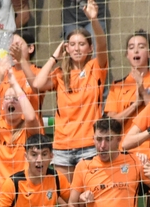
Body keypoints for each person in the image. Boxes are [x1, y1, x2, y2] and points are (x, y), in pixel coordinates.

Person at [30, 0, 107, 181]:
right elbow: (37, 84)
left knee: (86, 201)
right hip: (62, 146)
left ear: (90, 48)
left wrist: (93, 19)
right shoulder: (59, 73)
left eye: (82, 44)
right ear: (67, 48)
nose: (77, 48)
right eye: (72, 44)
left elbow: (102, 45)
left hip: (88, 145)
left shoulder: (95, 68)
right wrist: (54, 57)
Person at [0, 57, 43, 194]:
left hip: (21, 192)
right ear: (2, 105)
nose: (11, 101)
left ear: (23, 104)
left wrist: (15, 85)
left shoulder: (28, 128)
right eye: (6, 98)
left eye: (16, 99)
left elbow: (30, 116)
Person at [104, 30, 150, 133]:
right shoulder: (117, 86)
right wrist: (135, 105)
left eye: (141, 47)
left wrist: (143, 93)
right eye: (131, 47)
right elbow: (111, 123)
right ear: (127, 54)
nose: (136, 50)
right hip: (125, 146)